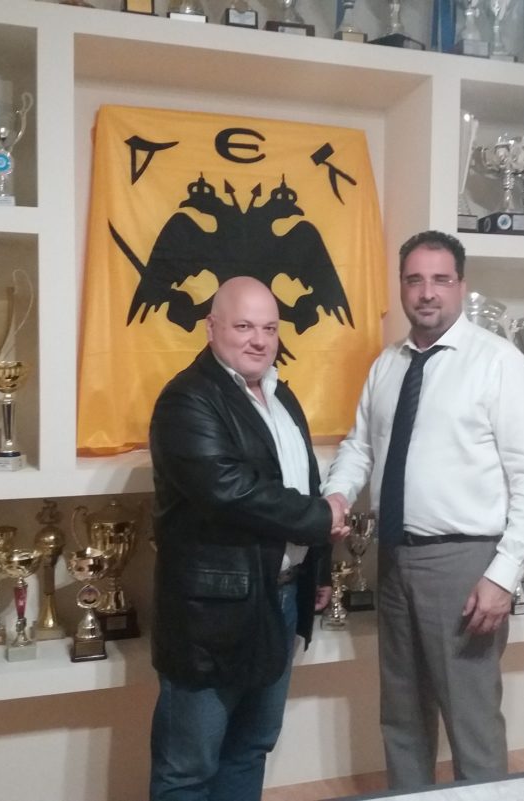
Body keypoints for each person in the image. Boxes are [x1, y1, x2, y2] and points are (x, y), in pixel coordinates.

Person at [323, 230, 524, 790]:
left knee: (471, 720)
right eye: (415, 280)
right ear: (402, 287)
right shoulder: (387, 366)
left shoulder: (499, 363)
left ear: (461, 286)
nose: (427, 292)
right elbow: (360, 447)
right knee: (401, 716)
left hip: (465, 566)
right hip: (393, 560)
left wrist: (503, 576)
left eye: (440, 280)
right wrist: (337, 494)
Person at [148, 276, 349, 801]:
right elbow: (231, 491)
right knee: (188, 768)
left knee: (251, 747)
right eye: (243, 326)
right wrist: (321, 519)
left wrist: (317, 568)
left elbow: (300, 482)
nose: (259, 340)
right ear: (211, 327)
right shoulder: (187, 399)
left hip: (280, 599)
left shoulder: (282, 396)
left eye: (269, 328)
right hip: (212, 613)